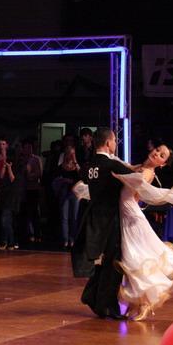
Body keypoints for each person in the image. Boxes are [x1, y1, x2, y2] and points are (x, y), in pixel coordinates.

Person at [111, 145, 173, 320]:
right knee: (131, 260)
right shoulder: (140, 167)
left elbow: (142, 189)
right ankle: (135, 304)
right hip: (127, 215)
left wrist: (119, 176)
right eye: (158, 150)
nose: (157, 154)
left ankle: (145, 304)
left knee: (135, 259)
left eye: (162, 155)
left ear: (162, 164)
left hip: (132, 217)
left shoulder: (147, 173)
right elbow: (126, 166)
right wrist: (114, 162)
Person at [74, 128, 133, 320]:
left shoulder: (90, 165)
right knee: (114, 262)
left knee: (106, 262)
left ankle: (93, 296)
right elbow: (135, 176)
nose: (115, 143)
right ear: (108, 143)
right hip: (110, 220)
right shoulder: (111, 165)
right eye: (114, 140)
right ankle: (107, 306)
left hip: (95, 218)